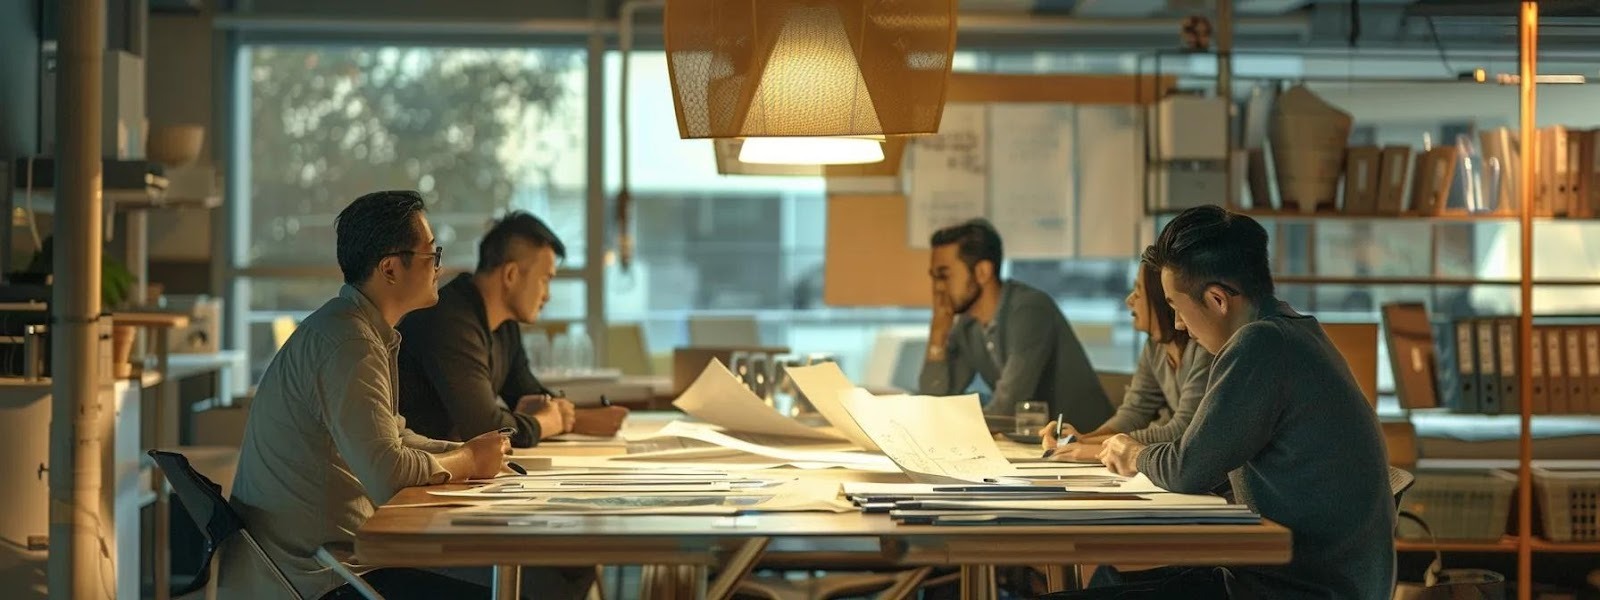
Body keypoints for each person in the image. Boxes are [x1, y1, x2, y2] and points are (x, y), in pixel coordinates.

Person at [1080, 206, 1394, 600]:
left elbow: (1186, 468)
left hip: (1298, 589)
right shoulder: (1293, 330)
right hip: (1306, 579)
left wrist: (1135, 453)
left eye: (1176, 306)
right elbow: (1204, 459)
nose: (1178, 325)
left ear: (1216, 299)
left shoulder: (1259, 345)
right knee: (1109, 580)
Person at [224, 191, 524, 599]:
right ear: (389, 269)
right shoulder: (349, 344)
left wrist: (467, 450)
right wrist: (468, 460)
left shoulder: (353, 329)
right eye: (431, 255)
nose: (440, 266)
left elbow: (395, 436)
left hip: (325, 564)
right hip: (318, 579)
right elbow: (389, 474)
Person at [398, 211, 628, 448]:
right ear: (510, 275)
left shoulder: (504, 325)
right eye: (545, 280)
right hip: (416, 475)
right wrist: (546, 424)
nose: (547, 295)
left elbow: (530, 395)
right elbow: (485, 429)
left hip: (454, 471)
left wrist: (556, 415)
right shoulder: (451, 320)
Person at [918, 218, 1112, 430]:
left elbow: (1008, 405)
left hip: (1087, 445)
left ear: (982, 272)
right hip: (1034, 445)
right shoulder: (968, 326)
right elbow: (935, 401)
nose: (937, 288)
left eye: (944, 276)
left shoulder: (1030, 310)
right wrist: (938, 335)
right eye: (934, 277)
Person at [1039, 252, 1214, 461]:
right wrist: (1083, 439)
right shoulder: (1154, 346)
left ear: (1162, 299)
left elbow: (1182, 430)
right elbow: (1135, 411)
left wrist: (1095, 445)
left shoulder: (1203, 348)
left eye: (1138, 292)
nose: (1129, 300)